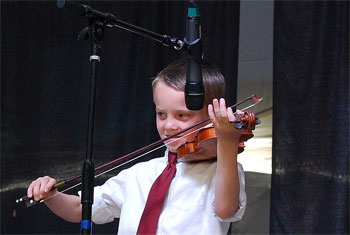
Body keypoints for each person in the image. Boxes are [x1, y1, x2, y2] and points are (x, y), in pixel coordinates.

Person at [27, 59, 247, 234]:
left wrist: (226, 142)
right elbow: (79, 209)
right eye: (161, 114)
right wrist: (51, 195)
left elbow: (225, 209)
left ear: (211, 117)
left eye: (182, 115)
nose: (169, 125)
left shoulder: (221, 172)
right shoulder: (139, 174)